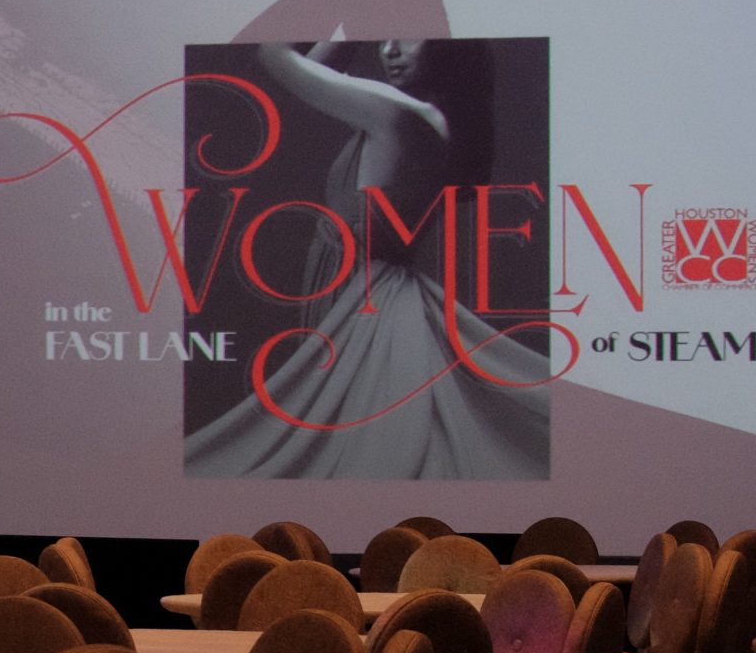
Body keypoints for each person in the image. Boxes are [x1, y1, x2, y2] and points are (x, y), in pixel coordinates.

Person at [183, 32, 551, 481]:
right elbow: (317, 72)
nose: (389, 50)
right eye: (383, 35)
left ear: (448, 45)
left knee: (362, 452)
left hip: (365, 302)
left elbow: (275, 56)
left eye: (407, 37)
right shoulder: (422, 113)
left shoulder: (396, 112)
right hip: (367, 294)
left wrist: (355, 1)